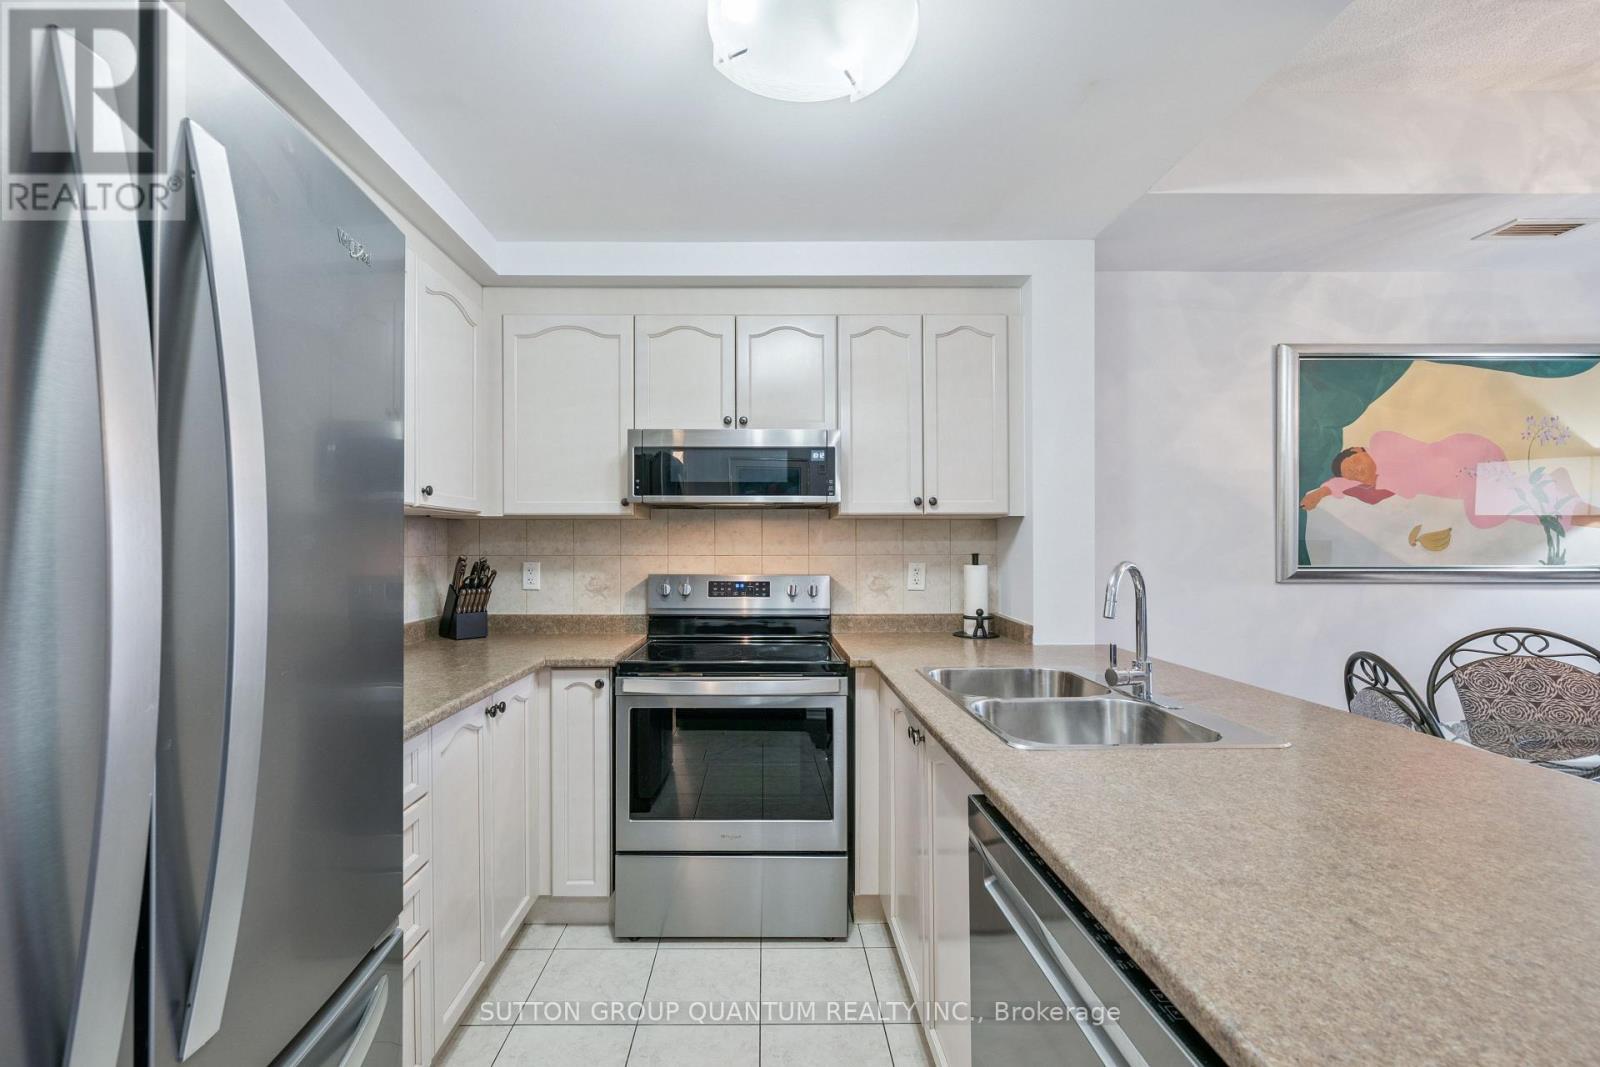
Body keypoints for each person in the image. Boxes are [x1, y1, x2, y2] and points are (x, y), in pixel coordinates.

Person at [1301, 431, 1600, 528]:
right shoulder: (1384, 482)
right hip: (1470, 477)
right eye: (1352, 474)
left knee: (1484, 513)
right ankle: (1560, 493)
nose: (1357, 472)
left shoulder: (1381, 443)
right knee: (1489, 512)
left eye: (1354, 463)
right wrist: (1323, 490)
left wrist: (1329, 487)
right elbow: (1344, 483)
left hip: (1467, 456)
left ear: (1359, 449)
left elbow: (1397, 463)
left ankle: (1575, 510)